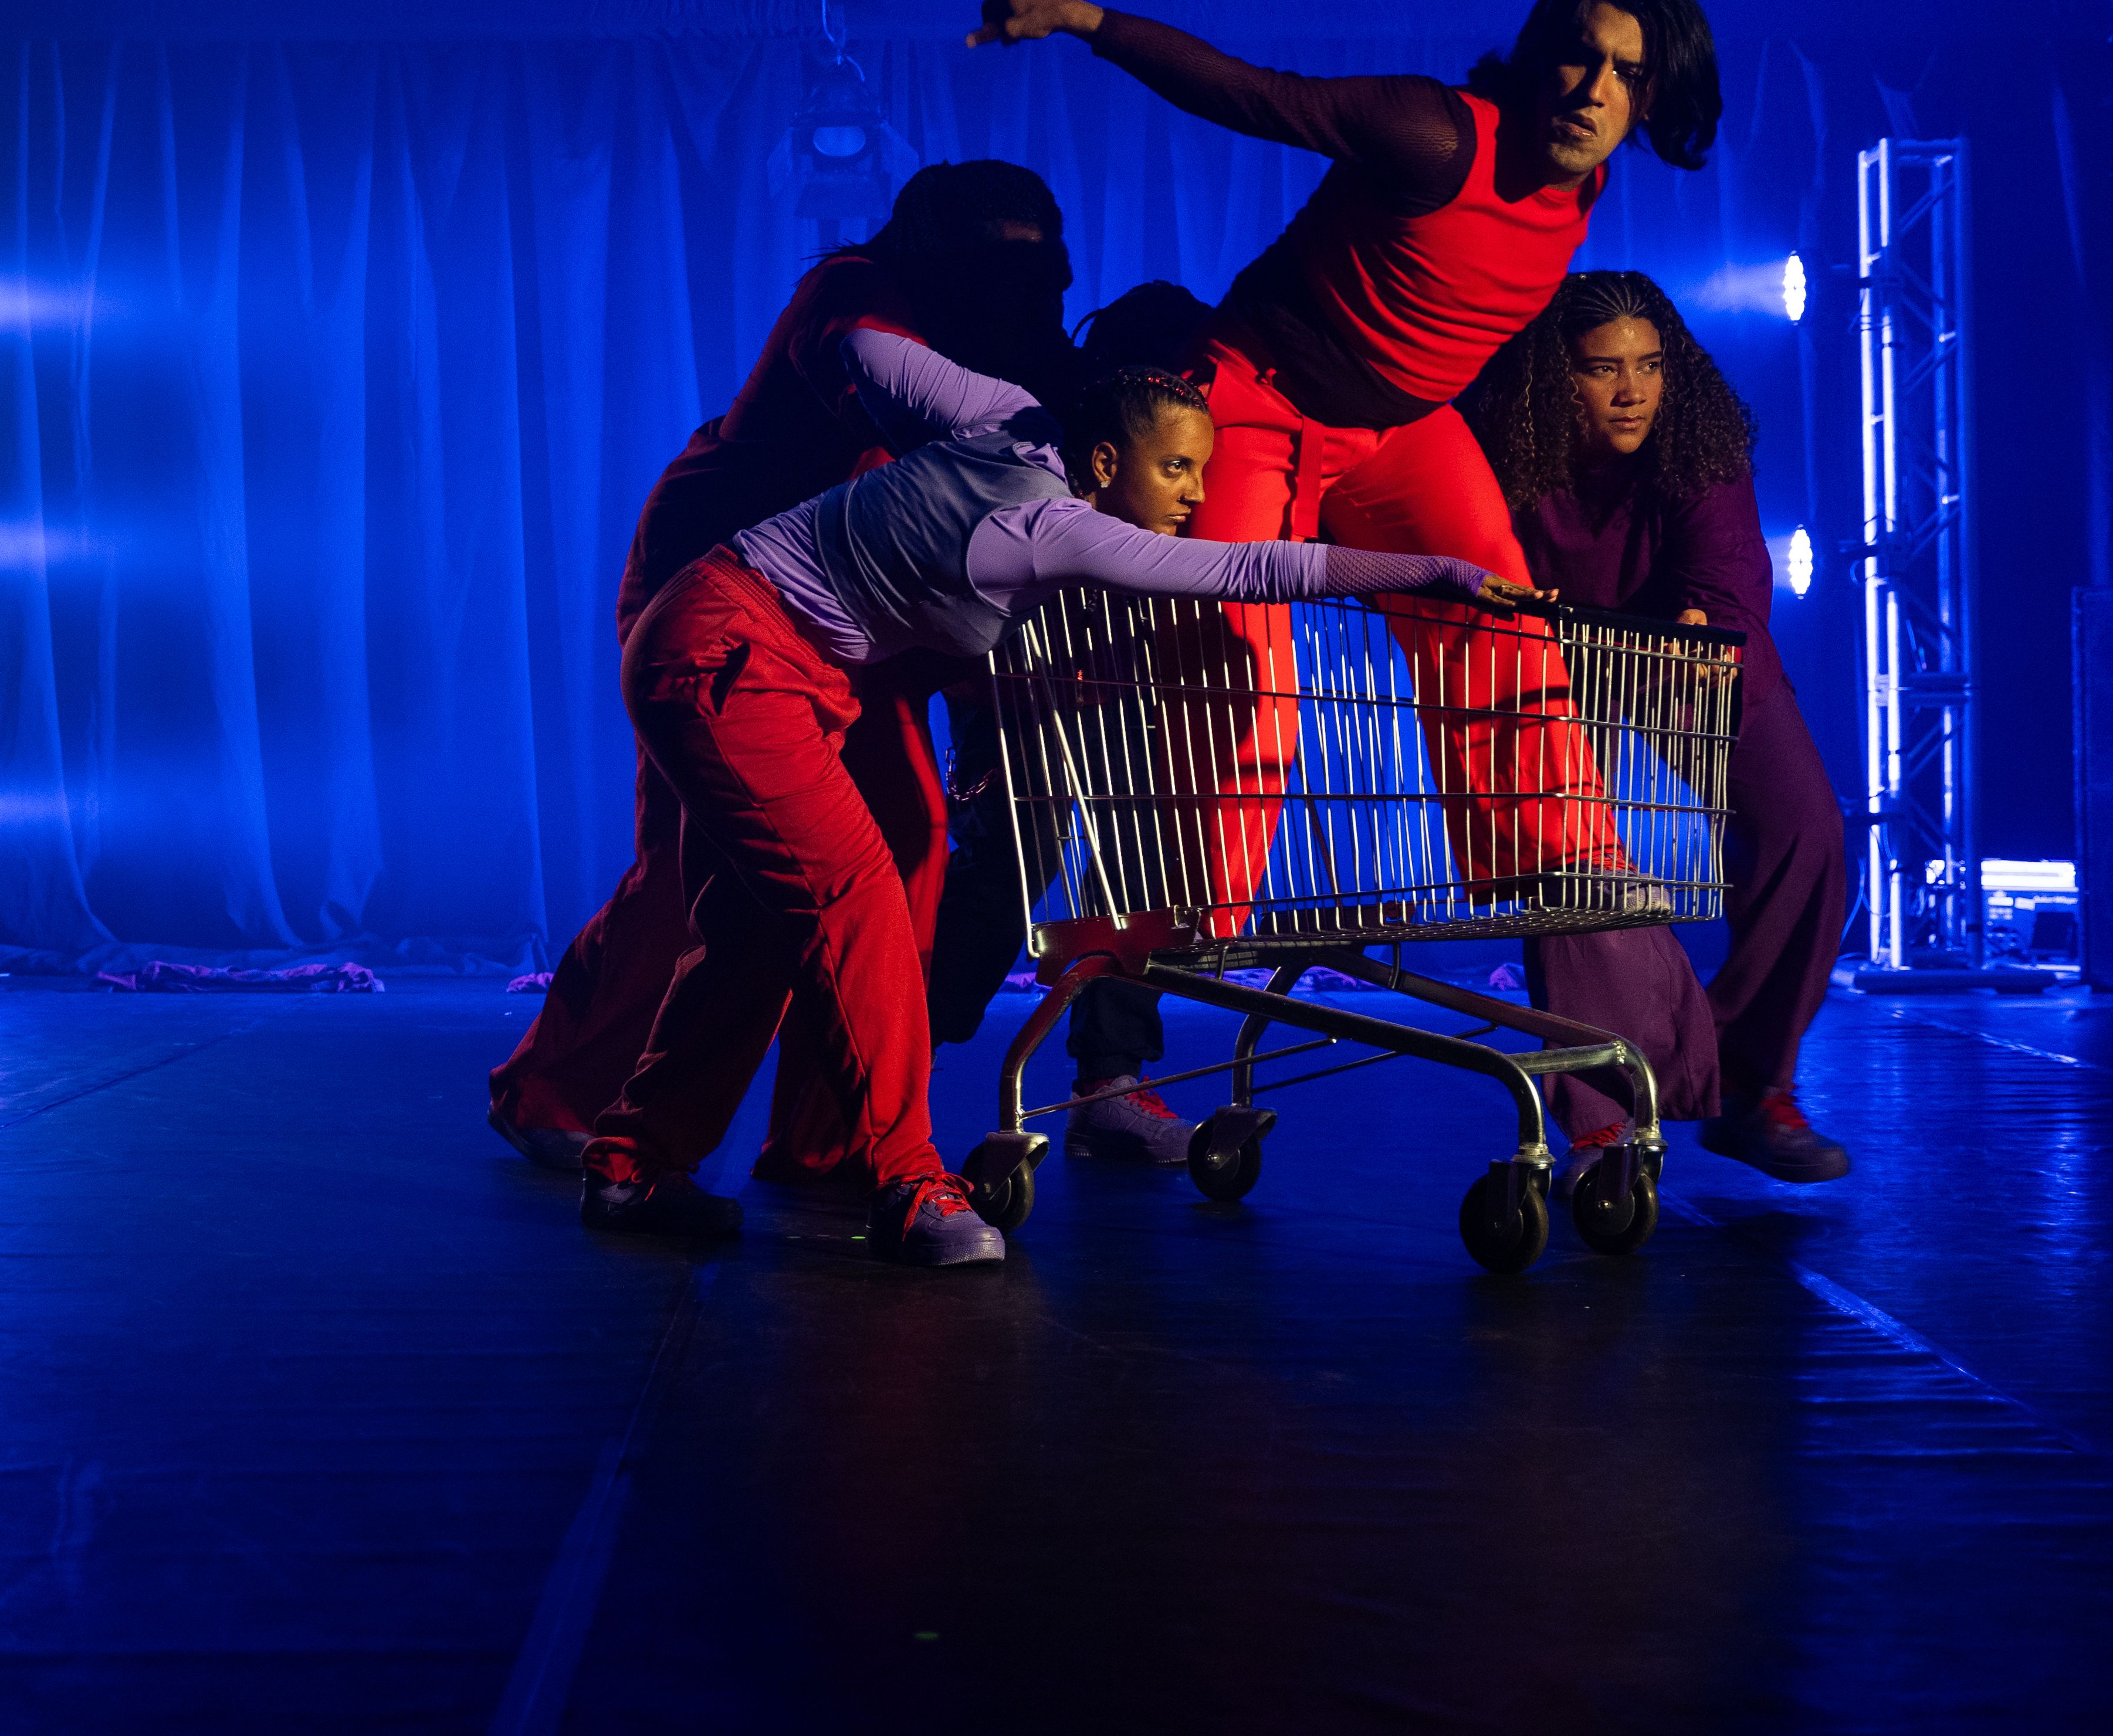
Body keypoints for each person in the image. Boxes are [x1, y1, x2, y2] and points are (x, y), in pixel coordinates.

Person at [970, 0, 1728, 1155]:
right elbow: (1252, 92)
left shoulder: (1578, 187)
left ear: (1651, 99)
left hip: (1395, 431)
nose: (1590, 89)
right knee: (1230, 687)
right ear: (1538, 54)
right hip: (1260, 402)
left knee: (1506, 620)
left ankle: (1570, 875)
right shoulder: (1435, 133)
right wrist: (1082, 19)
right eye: (1577, 56)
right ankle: (1145, 998)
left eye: (1625, 75)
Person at [585, 340, 1535, 1267]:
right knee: (856, 895)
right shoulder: (1054, 527)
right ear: (1108, 460)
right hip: (730, 660)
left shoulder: (1003, 416)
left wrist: (907, 477)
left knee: (752, 930)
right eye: (1174, 468)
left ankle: (634, 1165)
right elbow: (1256, 567)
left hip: (729, 634)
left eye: (1199, 469)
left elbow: (859, 349)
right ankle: (909, 1180)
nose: (1196, 495)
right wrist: (1437, 570)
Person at [489, 163, 1082, 1182]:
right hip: (726, 587)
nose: (1020, 287)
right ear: (940, 257)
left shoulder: (1008, 330)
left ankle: (831, 1135)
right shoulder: (853, 297)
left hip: (872, 613)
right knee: (697, 869)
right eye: (998, 265)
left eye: (1038, 269)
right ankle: (554, 1087)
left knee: (903, 844)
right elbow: (924, 419)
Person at [1461, 272, 1854, 1181]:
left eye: (1648, 366)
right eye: (1603, 370)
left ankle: (1750, 1087)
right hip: (1548, 663)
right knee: (1570, 862)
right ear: (1552, 380)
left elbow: (1725, 577)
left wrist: (1692, 631)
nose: (1632, 390)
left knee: (1806, 831)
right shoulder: (1497, 442)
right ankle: (1602, 1123)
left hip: (1679, 658)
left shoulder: (1697, 440)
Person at [927, 280, 1210, 1164]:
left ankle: (1109, 1084)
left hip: (1125, 684)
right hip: (1021, 692)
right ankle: (894, 1055)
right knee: (1009, 870)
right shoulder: (1035, 442)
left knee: (1138, 870)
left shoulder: (1190, 458)